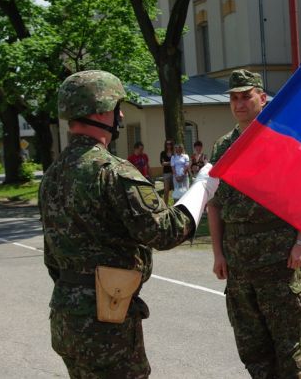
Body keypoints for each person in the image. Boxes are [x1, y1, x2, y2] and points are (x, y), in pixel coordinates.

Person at [40, 70, 219, 378]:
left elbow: (52, 257)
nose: (121, 115)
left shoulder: (53, 174)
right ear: (99, 110)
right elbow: (166, 231)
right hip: (106, 320)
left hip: (66, 316)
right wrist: (203, 186)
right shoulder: (112, 172)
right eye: (116, 106)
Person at [206, 69, 301, 378]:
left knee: (287, 351)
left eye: (246, 97)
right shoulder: (223, 147)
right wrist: (218, 253)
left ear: (262, 98)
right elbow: (215, 204)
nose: (239, 104)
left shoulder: (283, 140)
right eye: (234, 98)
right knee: (253, 352)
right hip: (239, 266)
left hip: (279, 262)